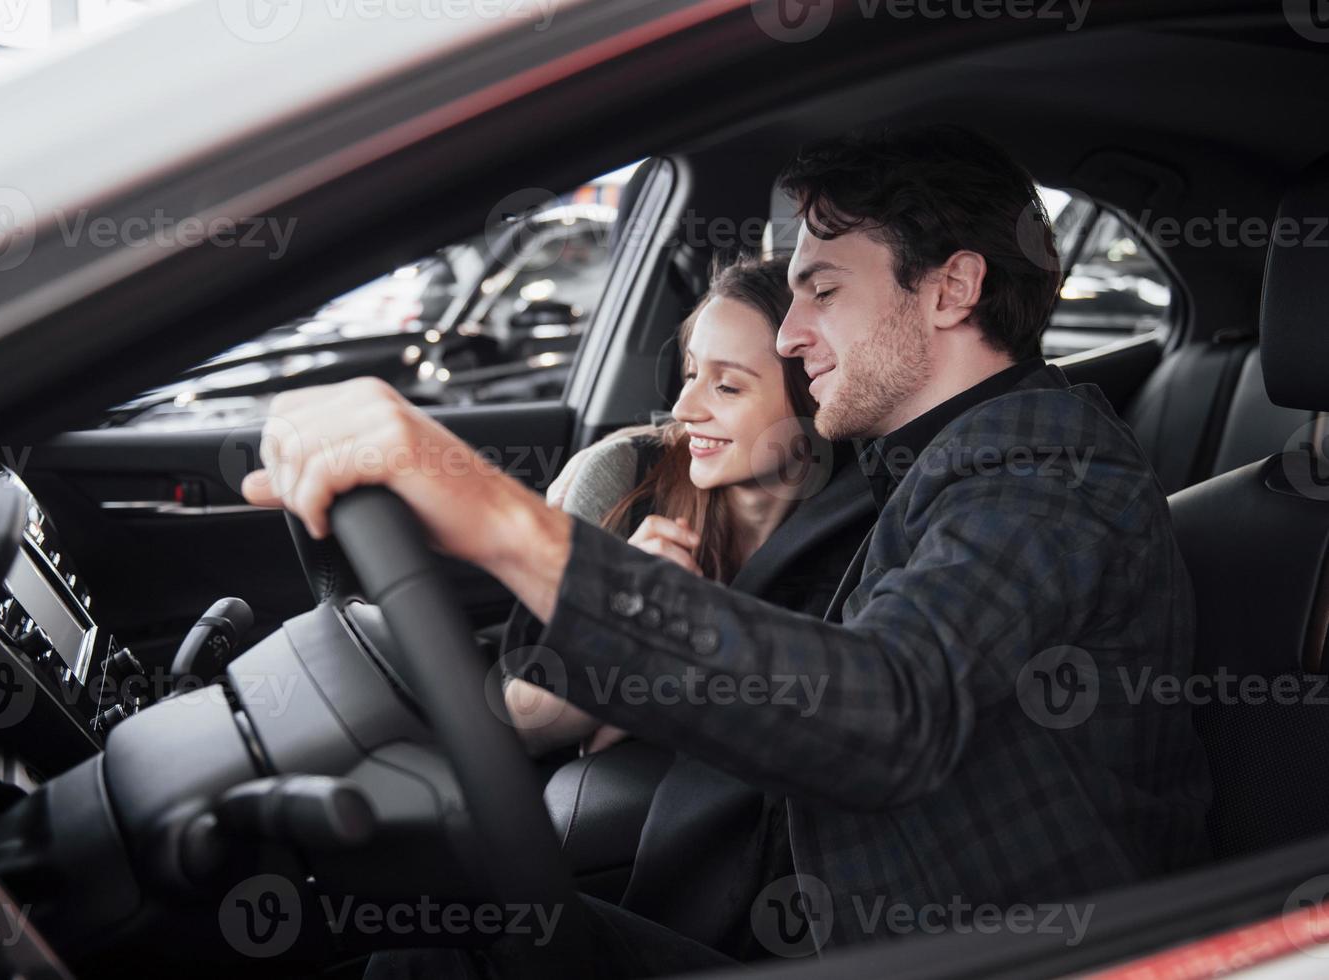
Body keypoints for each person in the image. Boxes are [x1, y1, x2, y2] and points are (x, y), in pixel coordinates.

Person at [242, 125, 1212, 973]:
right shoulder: (929, 467)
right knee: (458, 927)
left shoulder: (1043, 472)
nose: (788, 336)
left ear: (952, 286)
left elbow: (890, 714)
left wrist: (502, 521)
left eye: (821, 290)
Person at [500, 256, 872, 960]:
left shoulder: (864, 528)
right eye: (690, 372)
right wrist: (620, 630)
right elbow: (519, 717)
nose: (685, 407)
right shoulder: (625, 478)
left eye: (726, 385)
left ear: (813, 396)